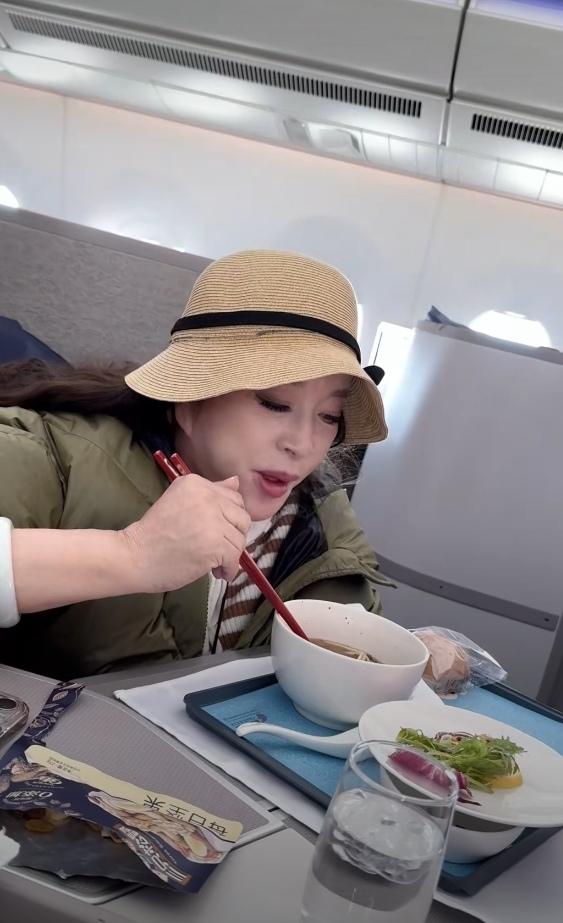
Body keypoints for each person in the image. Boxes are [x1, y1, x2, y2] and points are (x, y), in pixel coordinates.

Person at [0, 249, 389, 678]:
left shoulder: (324, 511)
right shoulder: (58, 456)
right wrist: (130, 554)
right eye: (275, 403)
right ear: (189, 398)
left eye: (329, 416)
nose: (303, 444)